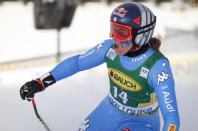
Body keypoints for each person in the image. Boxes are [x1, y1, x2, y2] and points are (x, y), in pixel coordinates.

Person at [20, 2, 180, 131]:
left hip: (140, 122)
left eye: (122, 32)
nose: (113, 36)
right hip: (109, 111)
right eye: (113, 29)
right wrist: (41, 82)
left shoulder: (158, 66)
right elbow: (77, 63)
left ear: (141, 35)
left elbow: (171, 118)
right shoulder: (109, 48)